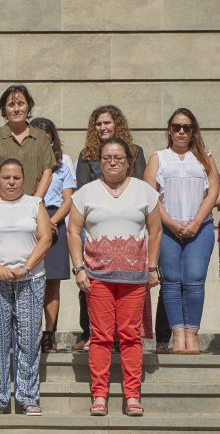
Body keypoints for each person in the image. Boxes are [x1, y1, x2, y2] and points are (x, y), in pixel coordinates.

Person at [68, 137, 161, 417]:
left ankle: (132, 395)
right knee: (101, 336)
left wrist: (153, 267)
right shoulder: (85, 193)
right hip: (97, 276)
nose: (112, 162)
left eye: (118, 158)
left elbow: (155, 232)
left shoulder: (145, 192)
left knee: (131, 336)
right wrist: (78, 268)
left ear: (128, 162)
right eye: (106, 158)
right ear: (99, 162)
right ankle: (99, 395)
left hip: (134, 277)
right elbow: (73, 231)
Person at [0, 158, 52, 416]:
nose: (12, 182)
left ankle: (28, 396)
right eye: (6, 177)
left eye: (16, 177)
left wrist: (26, 267)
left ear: (24, 179)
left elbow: (46, 237)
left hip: (30, 279)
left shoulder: (34, 204)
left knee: (28, 338)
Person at [144, 108, 219, 355]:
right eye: (176, 127)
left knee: (195, 281)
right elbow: (151, 194)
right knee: (172, 283)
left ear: (193, 130)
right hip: (167, 229)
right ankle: (177, 335)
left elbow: (214, 190)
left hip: (201, 228)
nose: (181, 132)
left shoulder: (204, 157)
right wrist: (171, 223)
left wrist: (197, 221)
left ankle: (192, 334)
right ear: (169, 129)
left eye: (187, 127)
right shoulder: (159, 157)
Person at [73, 105, 148, 351]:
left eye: (107, 123)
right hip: (95, 228)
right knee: (90, 283)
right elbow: (82, 189)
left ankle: (122, 336)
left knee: (129, 288)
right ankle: (92, 332)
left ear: (117, 124)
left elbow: (139, 186)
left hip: (128, 226)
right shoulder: (87, 155)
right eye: (98, 124)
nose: (102, 127)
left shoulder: (135, 152)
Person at [30, 118, 76, 353]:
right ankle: (29, 332)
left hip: (53, 220)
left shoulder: (62, 165)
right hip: (29, 220)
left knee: (52, 283)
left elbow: (68, 199)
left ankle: (49, 335)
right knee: (29, 281)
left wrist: (52, 221)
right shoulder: (25, 163)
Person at [0, 84, 55, 199]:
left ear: (28, 107)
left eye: (21, 104)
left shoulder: (41, 137)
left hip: (31, 205)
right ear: (4, 109)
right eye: (11, 105)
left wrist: (35, 201)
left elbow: (47, 174)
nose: (17, 109)